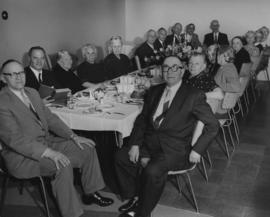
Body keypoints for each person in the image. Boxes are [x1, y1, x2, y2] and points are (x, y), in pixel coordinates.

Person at [0, 59, 114, 217]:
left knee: (87, 147)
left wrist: (73, 136)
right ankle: (72, 213)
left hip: (46, 142)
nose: (19, 77)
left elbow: (51, 118)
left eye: (20, 73)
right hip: (21, 156)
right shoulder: (2, 102)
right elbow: (16, 140)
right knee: (61, 164)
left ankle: (91, 193)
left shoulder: (32, 92)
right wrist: (50, 153)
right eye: (12, 74)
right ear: (3, 78)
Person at [115, 56, 219, 217]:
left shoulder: (193, 95)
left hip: (174, 149)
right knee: (120, 157)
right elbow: (142, 120)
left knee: (152, 171)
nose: (170, 71)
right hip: (149, 144)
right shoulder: (155, 91)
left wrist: (197, 150)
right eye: (166, 68)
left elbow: (213, 125)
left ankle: (143, 213)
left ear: (182, 70)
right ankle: (137, 198)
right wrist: (135, 144)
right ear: (161, 70)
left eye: (175, 67)